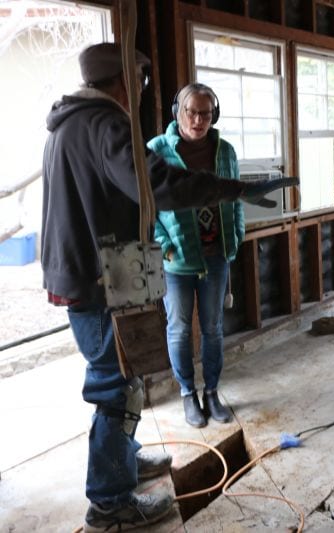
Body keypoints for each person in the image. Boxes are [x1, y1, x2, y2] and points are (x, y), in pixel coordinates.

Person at [40, 43, 267, 531]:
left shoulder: (73, 123)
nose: (142, 88)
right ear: (125, 80)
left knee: (126, 377)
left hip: (91, 271)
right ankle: (110, 501)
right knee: (115, 388)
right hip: (99, 278)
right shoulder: (105, 123)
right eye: (140, 79)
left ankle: (123, 460)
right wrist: (234, 189)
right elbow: (158, 185)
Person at [147, 83, 241, 428]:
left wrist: (237, 234)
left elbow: (236, 196)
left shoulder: (225, 151)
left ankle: (212, 392)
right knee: (180, 329)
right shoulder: (157, 150)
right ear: (178, 111)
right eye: (192, 111)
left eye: (206, 113)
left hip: (217, 256)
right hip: (176, 261)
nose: (199, 119)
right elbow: (147, 207)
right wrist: (164, 244)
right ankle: (188, 394)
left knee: (214, 328)